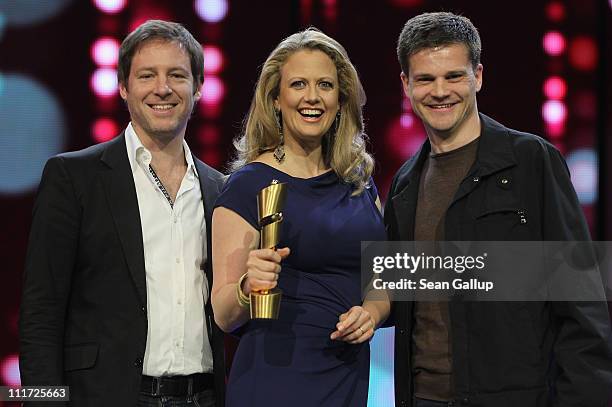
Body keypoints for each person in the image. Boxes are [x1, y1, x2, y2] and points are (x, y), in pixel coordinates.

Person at [385, 12, 612, 407]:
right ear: (406, 85)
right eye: (425, 79)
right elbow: (398, 302)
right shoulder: (404, 185)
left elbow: (582, 303)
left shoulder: (531, 161)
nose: (440, 91)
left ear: (479, 76)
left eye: (454, 76)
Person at [19, 20, 226, 406]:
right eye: (147, 75)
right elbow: (40, 312)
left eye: (177, 75)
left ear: (198, 88)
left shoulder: (220, 189)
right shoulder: (73, 177)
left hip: (203, 397)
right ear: (123, 87)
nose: (162, 88)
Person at [211, 28, 389, 406]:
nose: (312, 97)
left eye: (325, 84)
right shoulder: (247, 185)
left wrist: (371, 314)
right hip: (275, 378)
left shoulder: (359, 182)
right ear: (276, 99)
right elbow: (225, 314)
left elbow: (381, 280)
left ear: (341, 101)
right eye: (298, 84)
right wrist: (247, 287)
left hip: (347, 375)